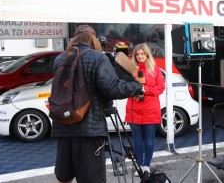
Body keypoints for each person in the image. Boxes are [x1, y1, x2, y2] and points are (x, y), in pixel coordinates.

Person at [51, 25, 143, 183]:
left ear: (74, 38)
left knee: (64, 177)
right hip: (89, 130)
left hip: (63, 126)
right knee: (92, 179)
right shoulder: (97, 57)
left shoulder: (60, 58)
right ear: (93, 39)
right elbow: (112, 88)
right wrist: (137, 86)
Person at [125, 43, 165, 175]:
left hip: (150, 110)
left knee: (149, 140)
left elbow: (160, 88)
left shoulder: (156, 70)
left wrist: (145, 90)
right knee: (137, 140)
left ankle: (146, 165)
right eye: (137, 54)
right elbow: (124, 86)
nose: (140, 56)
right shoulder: (130, 70)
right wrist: (134, 91)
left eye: (142, 54)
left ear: (147, 54)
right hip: (134, 109)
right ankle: (139, 165)